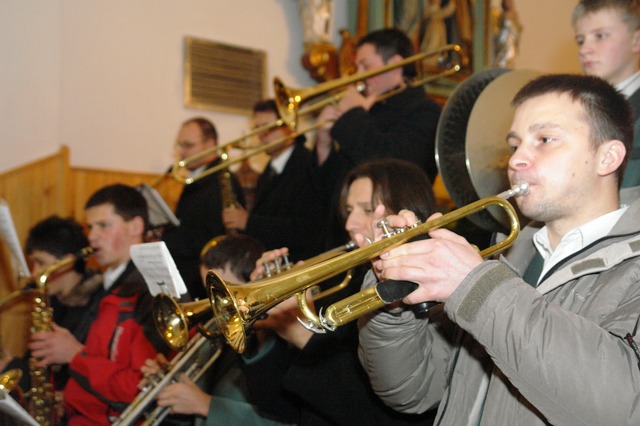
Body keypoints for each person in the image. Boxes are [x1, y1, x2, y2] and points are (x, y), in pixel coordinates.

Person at [357, 74, 640, 424]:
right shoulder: (502, 257)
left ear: (607, 157)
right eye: (515, 144)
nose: (516, 160)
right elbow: (412, 391)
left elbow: (624, 407)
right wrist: (394, 294)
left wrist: (478, 288)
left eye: (545, 139)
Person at [241, 159, 439, 425]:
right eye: (348, 210)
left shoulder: (425, 297)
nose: (349, 224)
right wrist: (265, 321)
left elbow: (389, 413)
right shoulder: (344, 285)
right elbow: (279, 406)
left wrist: (301, 333)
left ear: (406, 215)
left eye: (368, 210)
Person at [29, 184, 169, 425]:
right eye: (90, 227)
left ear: (135, 227)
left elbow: (141, 389)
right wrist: (67, 397)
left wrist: (74, 354)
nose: (92, 236)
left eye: (103, 225)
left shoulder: (154, 290)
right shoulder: (109, 282)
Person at [143, 234, 288, 425]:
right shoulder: (215, 329)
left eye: (224, 292)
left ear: (254, 282)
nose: (217, 305)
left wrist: (206, 405)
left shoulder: (285, 341)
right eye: (211, 292)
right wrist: (170, 382)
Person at [314, 28, 442, 185]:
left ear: (395, 64)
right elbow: (334, 188)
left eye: (366, 66)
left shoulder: (426, 111)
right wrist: (323, 144)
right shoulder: (367, 112)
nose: (358, 75)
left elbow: (392, 167)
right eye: (357, 67)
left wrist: (353, 113)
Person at [0, 215, 103, 393]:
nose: (34, 273)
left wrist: (12, 367)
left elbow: (65, 378)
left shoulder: (97, 306)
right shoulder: (51, 303)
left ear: (67, 263)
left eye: (40, 263)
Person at [222, 100, 326, 262]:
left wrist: (249, 221)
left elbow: (308, 228)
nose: (261, 136)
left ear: (289, 126)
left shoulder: (308, 165)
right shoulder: (270, 169)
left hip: (299, 263)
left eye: (268, 128)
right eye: (257, 129)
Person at [162, 117, 245, 300]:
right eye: (179, 145)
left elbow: (209, 236)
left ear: (210, 144)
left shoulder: (221, 180)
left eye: (188, 145)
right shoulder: (198, 177)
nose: (182, 152)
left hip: (200, 281)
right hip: (189, 272)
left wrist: (165, 240)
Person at [573, 0, 640, 187]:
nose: (584, 50)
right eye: (580, 40)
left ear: (636, 41)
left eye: (600, 36)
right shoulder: (575, 108)